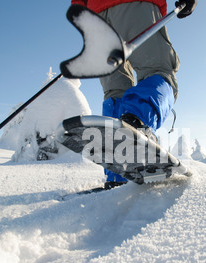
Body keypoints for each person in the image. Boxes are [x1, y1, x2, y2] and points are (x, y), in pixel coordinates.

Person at [70, 0, 197, 188]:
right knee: (159, 71)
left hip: (95, 18)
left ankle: (118, 177)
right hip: (135, 6)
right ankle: (136, 123)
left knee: (115, 89)